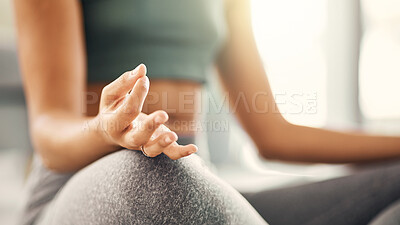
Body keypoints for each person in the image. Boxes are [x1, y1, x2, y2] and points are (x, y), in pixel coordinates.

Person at [13, 0, 400, 224]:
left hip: (196, 180)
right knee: (153, 172)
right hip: (77, 185)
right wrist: (105, 130)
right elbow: (49, 133)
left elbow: (275, 135)